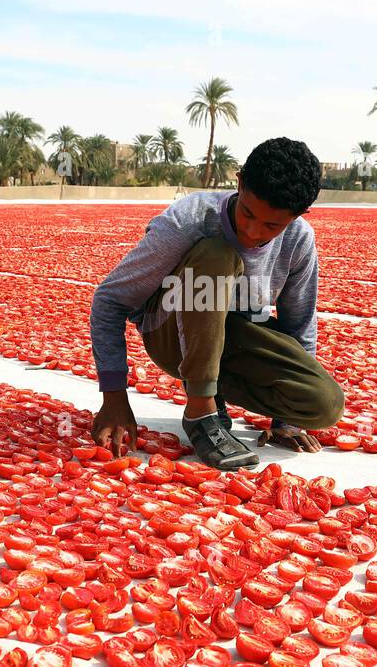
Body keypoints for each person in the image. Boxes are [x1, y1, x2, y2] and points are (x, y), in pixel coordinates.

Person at [89, 137, 345, 470]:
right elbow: (109, 300)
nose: (252, 233)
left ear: (298, 216)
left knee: (324, 403)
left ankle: (213, 392)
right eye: (248, 213)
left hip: (238, 335)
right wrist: (114, 397)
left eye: (272, 225)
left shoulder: (299, 239)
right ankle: (202, 411)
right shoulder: (189, 221)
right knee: (217, 255)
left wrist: (286, 418)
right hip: (171, 334)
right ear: (238, 182)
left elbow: (299, 323)